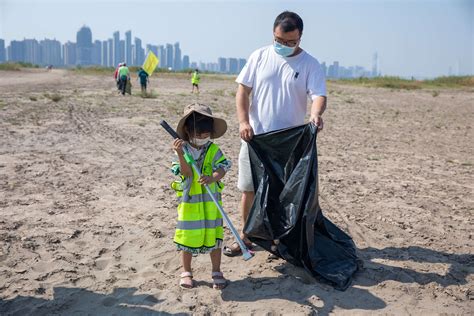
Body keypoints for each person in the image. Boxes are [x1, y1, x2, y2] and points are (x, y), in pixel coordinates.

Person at [223, 11, 327, 257]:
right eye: (279, 41)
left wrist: (316, 114)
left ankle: (279, 239)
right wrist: (243, 122)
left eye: (290, 42)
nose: (284, 46)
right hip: (255, 138)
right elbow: (242, 92)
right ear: (273, 34)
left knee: (284, 193)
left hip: (289, 142)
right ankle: (246, 237)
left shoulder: (310, 64)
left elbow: (318, 96)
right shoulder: (259, 56)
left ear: (300, 37)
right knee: (249, 189)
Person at [170, 103, 232, 289]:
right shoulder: (182, 150)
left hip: (211, 204)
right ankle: (186, 271)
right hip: (190, 205)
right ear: (188, 131)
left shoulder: (213, 150)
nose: (203, 138)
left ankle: (216, 271)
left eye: (206, 136)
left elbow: (223, 167)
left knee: (215, 237)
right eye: (199, 135)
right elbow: (186, 173)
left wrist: (213, 178)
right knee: (187, 237)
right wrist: (181, 154)